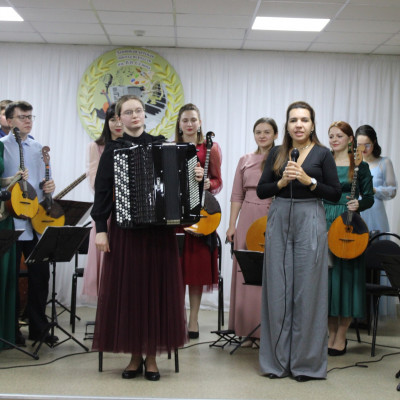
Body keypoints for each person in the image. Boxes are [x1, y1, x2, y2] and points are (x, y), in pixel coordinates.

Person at [91, 95, 204, 381]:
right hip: (126, 232)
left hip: (159, 232)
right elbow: (102, 191)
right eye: (128, 112)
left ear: (145, 114)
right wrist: (101, 228)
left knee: (156, 293)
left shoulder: (163, 144)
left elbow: (184, 183)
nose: (134, 115)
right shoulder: (113, 150)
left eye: (139, 110)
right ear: (119, 118)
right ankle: (134, 356)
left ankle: (152, 357)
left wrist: (196, 176)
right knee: (131, 293)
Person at [256, 101, 341, 382]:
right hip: (279, 217)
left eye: (304, 120)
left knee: (307, 293)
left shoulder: (323, 154)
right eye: (293, 120)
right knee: (277, 291)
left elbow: (335, 194)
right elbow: (261, 190)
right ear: (287, 125)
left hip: (310, 219)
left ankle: (306, 365)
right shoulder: (277, 153)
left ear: (312, 124)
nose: (299, 125)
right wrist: (281, 183)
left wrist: (309, 181)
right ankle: (276, 362)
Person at [1, 100, 57, 346]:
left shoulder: (37, 148)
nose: (27, 121)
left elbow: (43, 185)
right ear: (9, 120)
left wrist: (50, 186)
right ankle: (12, 329)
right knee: (11, 279)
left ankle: (38, 328)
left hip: (34, 223)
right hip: (10, 221)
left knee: (40, 276)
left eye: (30, 117)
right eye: (22, 117)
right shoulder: (2, 147)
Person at [324, 121, 374, 356]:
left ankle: (341, 335)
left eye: (339, 136)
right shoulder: (324, 161)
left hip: (348, 224)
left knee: (346, 280)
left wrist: (359, 204)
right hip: (324, 220)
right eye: (331, 136)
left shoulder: (360, 165)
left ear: (350, 139)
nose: (334, 140)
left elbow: (369, 198)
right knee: (327, 280)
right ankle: (330, 332)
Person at [226, 117, 278, 343]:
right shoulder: (244, 159)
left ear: (276, 134)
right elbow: (237, 195)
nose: (262, 136)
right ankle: (245, 329)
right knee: (245, 270)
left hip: (271, 215)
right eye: (258, 132)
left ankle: (265, 331)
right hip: (247, 216)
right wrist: (232, 225)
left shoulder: (281, 158)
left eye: (267, 132)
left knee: (268, 271)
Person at [174, 103, 222, 339]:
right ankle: (177, 319)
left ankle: (193, 320)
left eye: (193, 119)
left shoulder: (211, 148)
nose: (190, 124)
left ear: (200, 122)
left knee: (195, 271)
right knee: (176, 271)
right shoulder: (171, 147)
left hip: (201, 215)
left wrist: (207, 182)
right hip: (176, 215)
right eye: (185, 120)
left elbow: (218, 182)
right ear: (179, 124)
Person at [81, 103, 123, 301]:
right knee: (106, 265)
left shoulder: (134, 144)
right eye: (112, 119)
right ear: (107, 122)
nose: (117, 124)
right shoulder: (96, 147)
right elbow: (95, 183)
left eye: (120, 119)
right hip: (105, 212)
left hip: (129, 214)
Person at [355, 124, 397, 316]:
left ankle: (374, 312)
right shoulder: (352, 162)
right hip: (357, 213)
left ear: (374, 143)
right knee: (355, 256)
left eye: (367, 145)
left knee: (376, 256)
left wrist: (372, 190)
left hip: (376, 213)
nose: (363, 149)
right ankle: (356, 311)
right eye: (359, 145)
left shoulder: (384, 162)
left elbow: (392, 190)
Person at [0, 145, 28, 350]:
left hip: (3, 217)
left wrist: (12, 180)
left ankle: (4, 334)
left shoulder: (0, 145)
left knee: (5, 278)